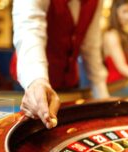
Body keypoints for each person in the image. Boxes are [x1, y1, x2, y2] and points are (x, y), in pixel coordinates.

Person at [11, 0, 109, 129]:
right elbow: (29, 30)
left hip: (70, 84)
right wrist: (37, 81)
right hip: (31, 83)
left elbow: (91, 46)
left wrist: (103, 98)